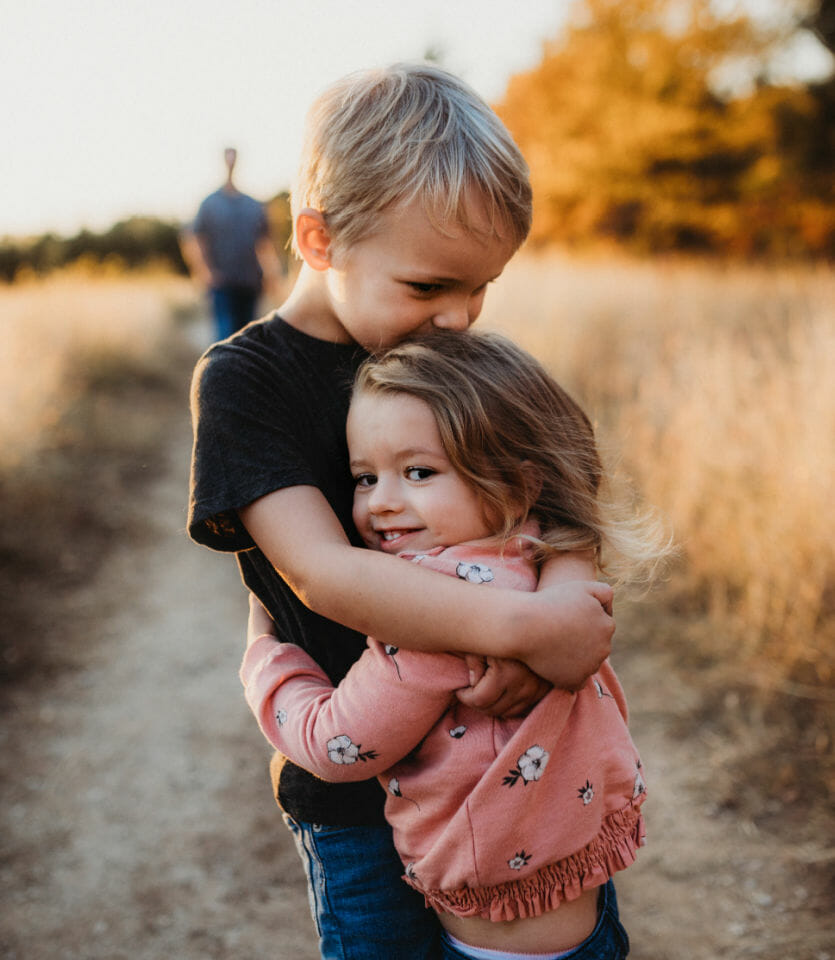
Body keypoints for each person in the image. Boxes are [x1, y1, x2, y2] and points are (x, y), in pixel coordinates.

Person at [188, 63, 616, 959]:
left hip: (520, 769)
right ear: (317, 239)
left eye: (482, 288)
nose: (460, 317)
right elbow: (325, 572)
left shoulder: (455, 357)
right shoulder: (247, 382)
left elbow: (569, 493)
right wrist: (524, 627)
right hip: (357, 797)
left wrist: (564, 605)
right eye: (429, 288)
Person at [241, 330, 668, 960]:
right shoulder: (536, 557)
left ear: (518, 483)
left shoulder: (433, 617)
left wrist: (263, 654)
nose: (382, 503)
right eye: (364, 477)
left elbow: (334, 745)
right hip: (586, 917)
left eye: (418, 472)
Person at [181, 147, 282, 341]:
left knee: (247, 338)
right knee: (225, 337)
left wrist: (272, 275)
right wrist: (205, 271)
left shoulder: (253, 205)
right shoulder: (209, 204)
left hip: (250, 281)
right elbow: (194, 238)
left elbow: (265, 243)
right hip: (222, 283)